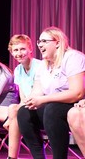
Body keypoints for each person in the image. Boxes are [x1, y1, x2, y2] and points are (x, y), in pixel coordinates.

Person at [17, 26, 85, 159]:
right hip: (52, 106)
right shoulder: (43, 65)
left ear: (58, 43)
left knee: (52, 109)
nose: (40, 45)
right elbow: (36, 93)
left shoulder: (73, 57)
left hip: (74, 104)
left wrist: (43, 99)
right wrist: (27, 102)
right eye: (39, 42)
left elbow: (77, 93)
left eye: (44, 41)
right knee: (24, 112)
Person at [0, 34, 41, 159]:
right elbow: (23, 98)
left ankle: (12, 157)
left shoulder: (40, 66)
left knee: (14, 109)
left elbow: (39, 95)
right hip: (24, 108)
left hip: (40, 107)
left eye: (22, 49)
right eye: (15, 50)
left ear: (30, 49)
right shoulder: (18, 70)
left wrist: (13, 115)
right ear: (11, 53)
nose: (19, 53)